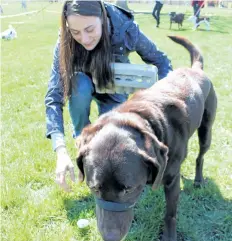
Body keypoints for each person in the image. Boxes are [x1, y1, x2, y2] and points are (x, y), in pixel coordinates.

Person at [45, 0, 172, 192]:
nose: (85, 39)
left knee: (114, 134)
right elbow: (54, 96)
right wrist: (61, 151)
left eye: (90, 29)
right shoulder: (65, 39)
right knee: (79, 85)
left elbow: (161, 61)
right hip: (82, 86)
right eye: (76, 32)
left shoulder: (125, 28)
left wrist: (160, 96)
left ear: (102, 19)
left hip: (112, 88)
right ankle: (82, 143)